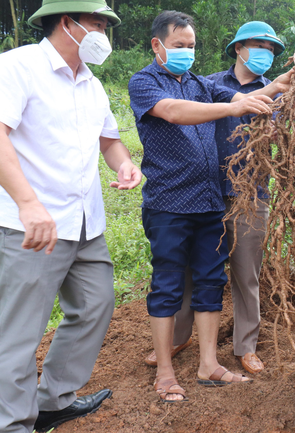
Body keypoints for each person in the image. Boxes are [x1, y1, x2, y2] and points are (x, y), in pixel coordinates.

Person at [128, 10, 295, 402]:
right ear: (157, 45)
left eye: (192, 47)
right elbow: (174, 112)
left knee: (212, 283)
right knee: (169, 287)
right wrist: (233, 108)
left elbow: (246, 98)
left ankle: (209, 364)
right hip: (170, 202)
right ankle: (165, 372)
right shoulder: (144, 82)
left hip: (210, 202)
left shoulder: (198, 83)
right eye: (180, 46)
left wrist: (281, 82)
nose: (187, 53)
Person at [0, 1, 143, 432]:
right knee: (20, 332)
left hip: (85, 223)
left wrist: (123, 164)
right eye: (99, 24)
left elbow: (110, 142)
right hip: (32, 226)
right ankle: (12, 424)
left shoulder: (91, 83)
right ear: (69, 23)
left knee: (96, 304)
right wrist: (27, 202)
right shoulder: (18, 67)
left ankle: (54, 399)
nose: (104, 33)